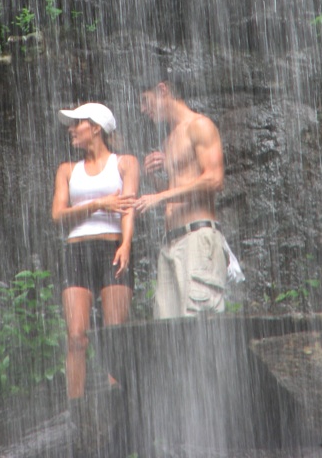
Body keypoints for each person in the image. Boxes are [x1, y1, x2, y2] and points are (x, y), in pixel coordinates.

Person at [52, 102, 139, 402]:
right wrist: (99, 204)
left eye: (77, 124)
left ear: (96, 128)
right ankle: (75, 408)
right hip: (76, 251)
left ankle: (117, 404)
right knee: (76, 337)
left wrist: (126, 244)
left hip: (113, 247)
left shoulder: (125, 163)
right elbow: (58, 215)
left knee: (115, 334)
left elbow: (128, 209)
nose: (71, 130)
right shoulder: (67, 170)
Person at [135, 72, 234, 319]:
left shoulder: (199, 125)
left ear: (163, 90)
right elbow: (177, 195)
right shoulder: (169, 140)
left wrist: (161, 194)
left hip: (197, 239)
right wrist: (155, 181)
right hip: (171, 243)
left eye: (145, 101)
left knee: (199, 323)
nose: (143, 110)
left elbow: (214, 179)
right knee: (168, 328)